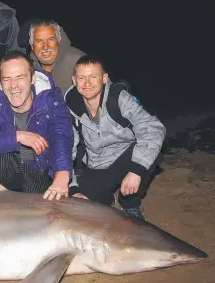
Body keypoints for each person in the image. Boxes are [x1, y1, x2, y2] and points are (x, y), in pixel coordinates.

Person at [65, 55, 166, 220]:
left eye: (93, 77)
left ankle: (130, 203)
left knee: (150, 154)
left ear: (105, 78)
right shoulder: (69, 108)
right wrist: (73, 187)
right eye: (82, 78)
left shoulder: (118, 98)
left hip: (125, 157)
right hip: (97, 165)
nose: (87, 83)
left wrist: (136, 170)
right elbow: (65, 149)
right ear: (74, 80)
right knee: (84, 207)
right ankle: (107, 198)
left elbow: (153, 128)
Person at [0, 50, 74, 201]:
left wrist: (62, 173)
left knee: (29, 161)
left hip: (39, 167)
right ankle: (2, 207)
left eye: (20, 77)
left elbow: (61, 135)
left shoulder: (51, 99)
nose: (13, 86)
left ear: (32, 78)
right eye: (7, 79)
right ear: (1, 81)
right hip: (8, 166)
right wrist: (18, 136)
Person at [19, 19, 85, 96]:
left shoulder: (79, 62)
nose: (46, 47)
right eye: (39, 41)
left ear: (58, 40)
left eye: (51, 39)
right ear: (32, 45)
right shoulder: (26, 68)